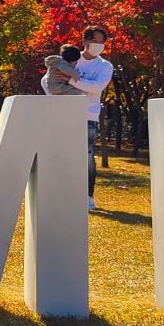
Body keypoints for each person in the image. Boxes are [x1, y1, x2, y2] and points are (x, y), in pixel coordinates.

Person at [42, 25, 114, 211]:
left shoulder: (105, 66)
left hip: (88, 116)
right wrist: (64, 87)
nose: (98, 45)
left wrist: (71, 80)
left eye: (102, 42)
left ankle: (87, 196)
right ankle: (61, 193)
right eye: (94, 41)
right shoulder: (71, 58)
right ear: (85, 42)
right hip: (63, 113)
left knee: (87, 157)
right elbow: (47, 81)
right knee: (60, 154)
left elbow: (96, 87)